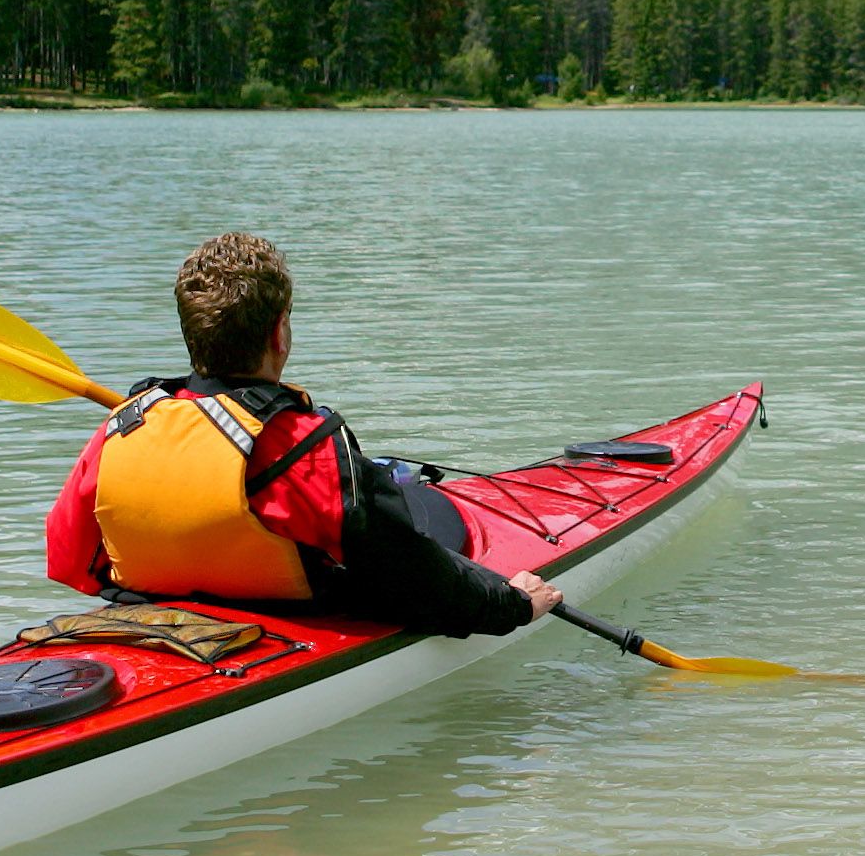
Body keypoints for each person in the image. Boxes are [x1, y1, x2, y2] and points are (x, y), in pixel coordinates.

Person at [42, 232, 563, 636]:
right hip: (293, 614)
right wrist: (511, 604)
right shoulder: (304, 447)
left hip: (152, 619)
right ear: (279, 332)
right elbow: (419, 585)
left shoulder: (120, 429)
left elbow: (69, 561)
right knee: (436, 521)